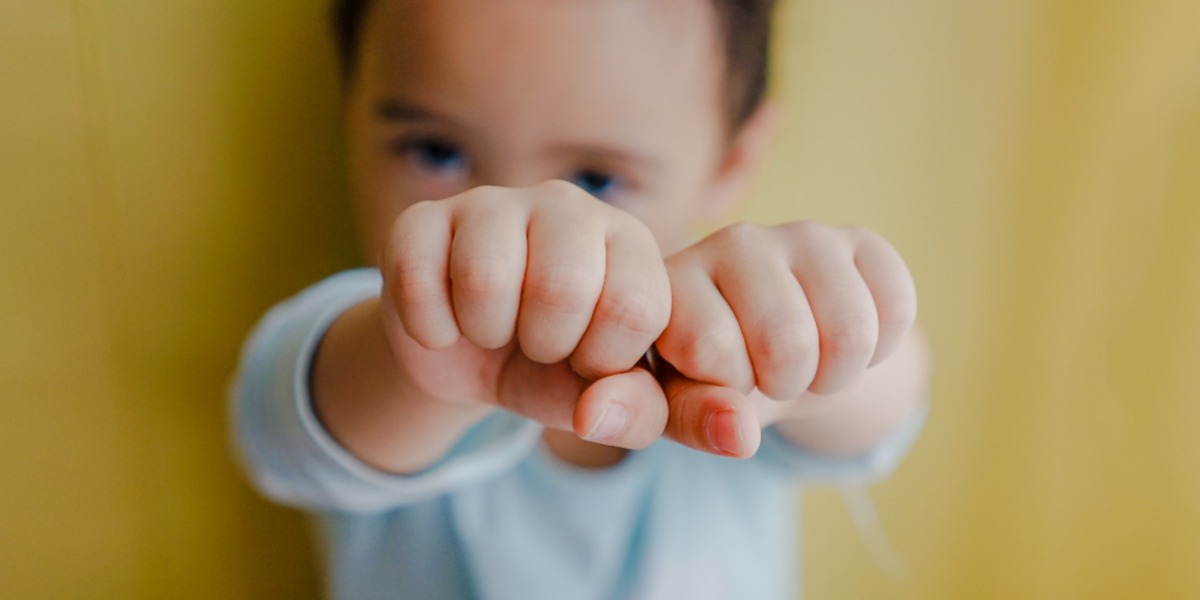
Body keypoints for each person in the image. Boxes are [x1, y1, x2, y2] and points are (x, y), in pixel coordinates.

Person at [230, 0, 931, 598]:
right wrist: (424, 358)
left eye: (596, 177)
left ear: (732, 164)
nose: (516, 225)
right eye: (436, 150)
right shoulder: (366, 337)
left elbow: (885, 409)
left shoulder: (729, 338)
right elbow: (280, 435)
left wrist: (817, 337)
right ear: (348, 109)